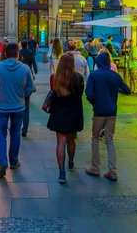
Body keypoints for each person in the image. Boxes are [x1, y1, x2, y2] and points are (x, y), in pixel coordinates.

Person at [0, 43, 35, 178]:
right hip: (19, 106)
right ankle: (13, 161)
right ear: (18, 54)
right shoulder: (25, 69)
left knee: (1, 134)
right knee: (15, 133)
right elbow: (30, 88)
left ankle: (2, 161)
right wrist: (21, 96)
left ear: (5, 54)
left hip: (2, 106)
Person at [85, 52, 131, 181]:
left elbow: (89, 93)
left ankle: (95, 167)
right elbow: (127, 90)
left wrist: (95, 102)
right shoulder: (115, 76)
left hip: (99, 111)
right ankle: (112, 170)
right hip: (112, 111)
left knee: (95, 138)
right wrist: (116, 90)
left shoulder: (94, 75)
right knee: (109, 140)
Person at [47, 53, 85, 184]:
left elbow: (52, 93)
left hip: (59, 113)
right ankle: (70, 162)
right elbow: (80, 94)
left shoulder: (55, 78)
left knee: (60, 142)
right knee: (71, 140)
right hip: (74, 112)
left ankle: (61, 172)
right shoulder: (78, 78)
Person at [18, 40, 38, 137]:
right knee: (26, 107)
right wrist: (36, 70)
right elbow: (33, 62)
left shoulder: (19, 53)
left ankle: (17, 127)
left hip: (19, 78)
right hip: (28, 73)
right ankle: (25, 129)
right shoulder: (30, 52)